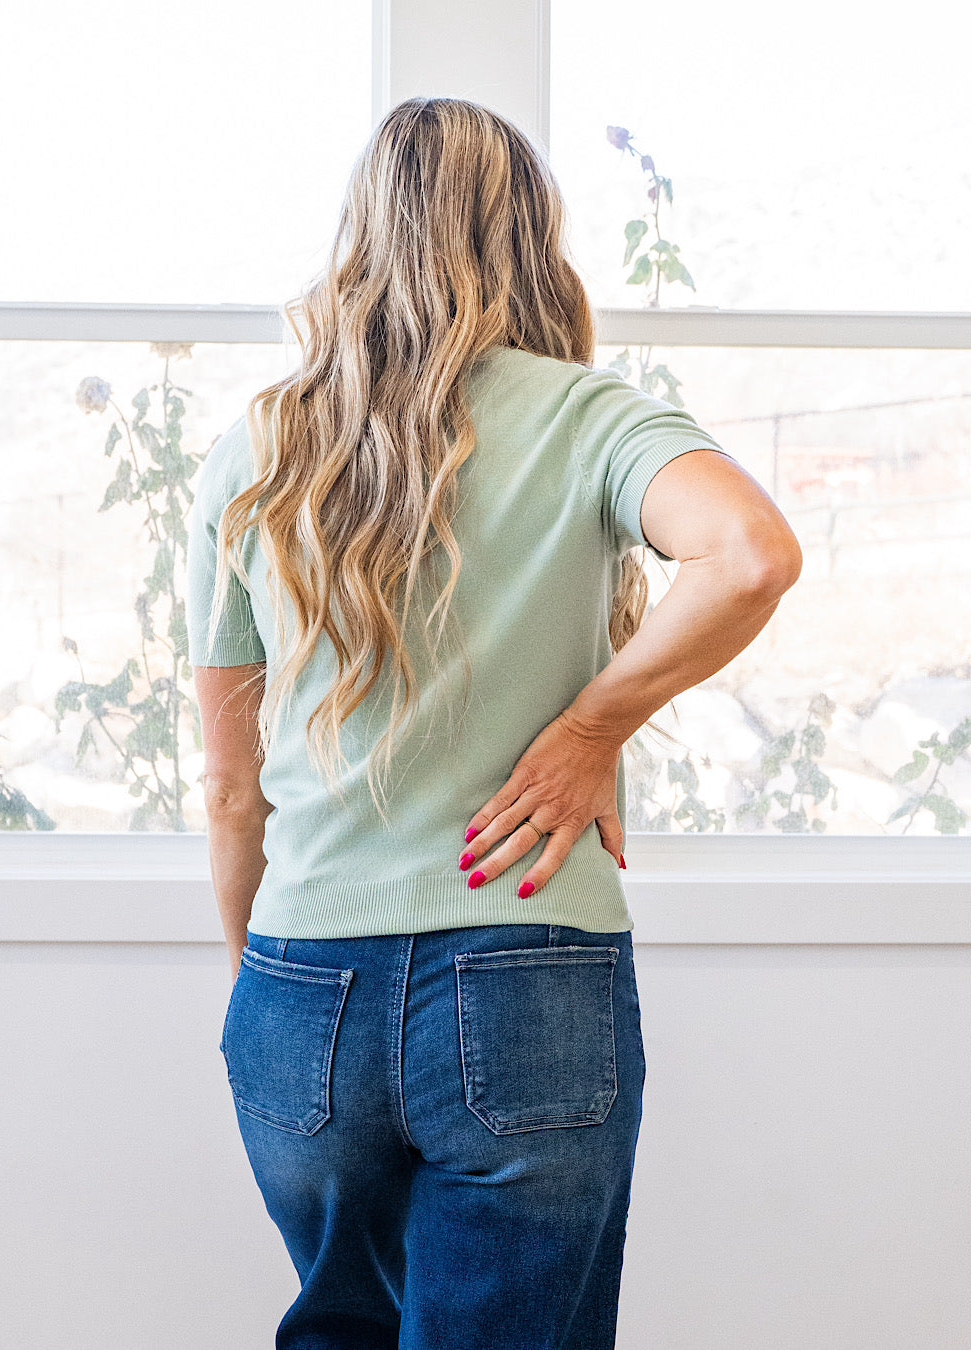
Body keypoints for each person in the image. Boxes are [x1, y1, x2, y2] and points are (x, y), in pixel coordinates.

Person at [186, 96, 802, 1350]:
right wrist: (592, 729)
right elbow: (748, 556)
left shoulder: (258, 446)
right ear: (532, 237)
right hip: (530, 977)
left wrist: (272, 974)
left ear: (364, 233)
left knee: (341, 1327)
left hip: (304, 985)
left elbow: (230, 787)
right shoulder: (591, 420)